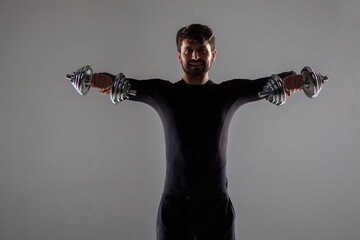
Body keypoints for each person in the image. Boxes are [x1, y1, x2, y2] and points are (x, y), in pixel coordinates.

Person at [91, 24, 304, 240]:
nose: (195, 56)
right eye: (188, 50)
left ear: (213, 55)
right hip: (174, 209)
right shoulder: (164, 93)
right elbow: (121, 85)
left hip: (216, 210)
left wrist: (296, 79)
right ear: (178, 56)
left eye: (202, 50)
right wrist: (97, 80)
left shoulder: (226, 94)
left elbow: (269, 84)